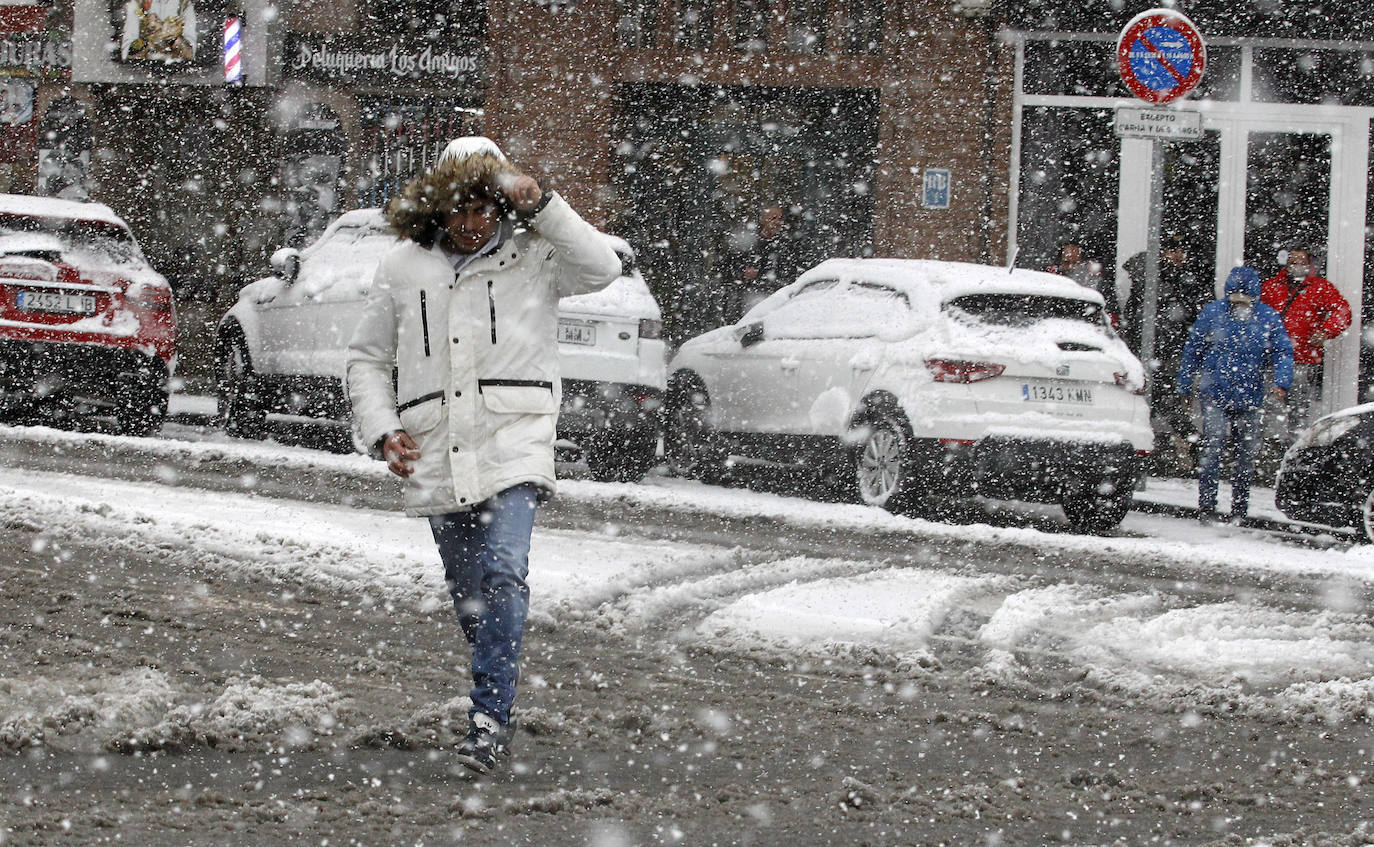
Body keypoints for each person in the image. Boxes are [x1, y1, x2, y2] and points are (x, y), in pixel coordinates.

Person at [346, 136, 620, 774]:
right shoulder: (402, 267)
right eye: (459, 211)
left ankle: (488, 717)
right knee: (471, 593)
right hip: (436, 449)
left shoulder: (536, 256)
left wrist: (543, 202)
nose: (471, 225)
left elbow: (603, 267)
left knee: (502, 575)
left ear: (500, 206)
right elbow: (366, 357)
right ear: (438, 209)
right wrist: (383, 428)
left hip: (513, 443)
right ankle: (496, 687)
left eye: (484, 209)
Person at [1177, 266, 1294, 522]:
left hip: (1249, 397)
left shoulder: (1266, 317)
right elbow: (1193, 350)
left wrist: (1282, 382)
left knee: (1244, 455)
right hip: (1217, 393)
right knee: (1214, 449)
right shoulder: (1215, 313)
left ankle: (1238, 509)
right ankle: (1208, 506)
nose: (1239, 301)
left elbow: (1283, 351)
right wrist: (1184, 384)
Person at [1120, 234, 1212, 472]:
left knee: (1157, 402)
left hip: (1166, 353)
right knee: (1157, 402)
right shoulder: (1155, 282)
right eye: (1174, 250)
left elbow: (1186, 316)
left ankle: (1175, 446)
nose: (1178, 256)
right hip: (1157, 352)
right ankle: (1187, 444)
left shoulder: (1175, 281)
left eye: (1181, 251)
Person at [1259, 245, 1351, 438]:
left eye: (1302, 262)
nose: (1297, 266)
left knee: (1298, 415)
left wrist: (1326, 332)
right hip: (1271, 362)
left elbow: (1342, 311)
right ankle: (1266, 453)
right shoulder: (1271, 287)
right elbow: (1254, 316)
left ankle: (1294, 455)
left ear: (1310, 265)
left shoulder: (1320, 288)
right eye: (1293, 262)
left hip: (1303, 361)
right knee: (1265, 413)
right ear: (1286, 264)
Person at [720, 204, 800, 324]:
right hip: (747, 306)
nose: (778, 222)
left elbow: (790, 273)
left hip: (776, 304)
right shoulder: (748, 244)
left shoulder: (787, 246)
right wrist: (743, 273)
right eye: (773, 218)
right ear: (763, 220)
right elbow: (728, 269)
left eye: (780, 218)